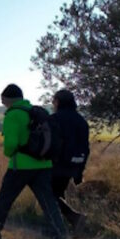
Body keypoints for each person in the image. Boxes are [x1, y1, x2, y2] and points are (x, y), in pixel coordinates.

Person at [0, 84, 68, 239]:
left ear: (7, 99)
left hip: (20, 166)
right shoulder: (38, 112)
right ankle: (60, 238)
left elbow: (11, 144)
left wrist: (9, 153)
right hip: (44, 164)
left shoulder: (13, 114)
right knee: (49, 203)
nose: (2, 102)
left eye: (2, 99)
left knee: (4, 201)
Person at [50, 89, 90, 230]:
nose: (53, 103)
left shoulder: (54, 119)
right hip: (75, 165)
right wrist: (80, 171)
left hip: (58, 164)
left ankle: (74, 218)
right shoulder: (81, 121)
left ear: (58, 102)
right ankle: (62, 225)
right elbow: (86, 148)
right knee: (58, 194)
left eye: (54, 100)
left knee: (49, 196)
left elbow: (51, 144)